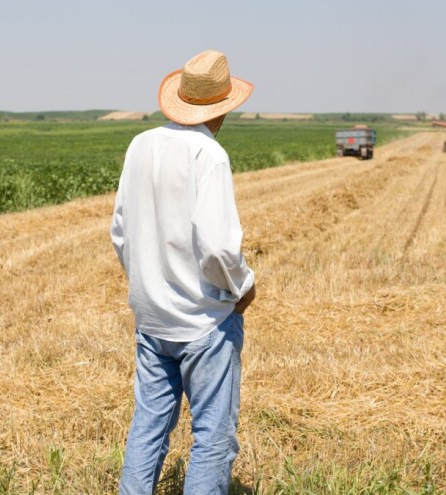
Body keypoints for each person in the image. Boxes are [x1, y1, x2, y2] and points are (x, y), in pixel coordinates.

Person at [110, 49, 257, 495]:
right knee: (211, 438)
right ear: (223, 108)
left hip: (151, 320)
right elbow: (216, 248)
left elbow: (120, 232)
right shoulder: (209, 155)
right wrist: (243, 287)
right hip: (203, 324)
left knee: (148, 428)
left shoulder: (141, 145)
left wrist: (149, 283)